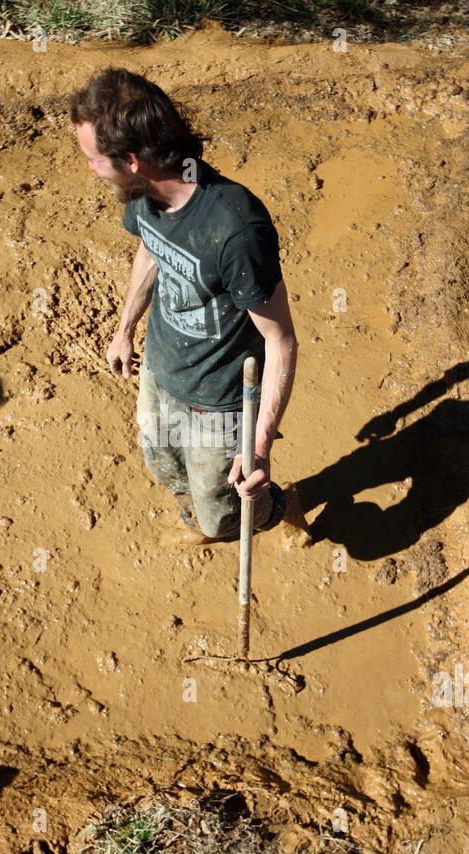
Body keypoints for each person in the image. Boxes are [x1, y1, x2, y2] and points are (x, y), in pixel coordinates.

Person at [69, 67, 309, 545]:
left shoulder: (236, 229)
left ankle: (281, 506)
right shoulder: (144, 196)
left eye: (94, 159)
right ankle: (196, 517)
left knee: (225, 515)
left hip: (218, 400)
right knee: (166, 469)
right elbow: (151, 248)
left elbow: (281, 342)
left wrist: (259, 446)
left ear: (132, 160)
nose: (91, 169)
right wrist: (124, 329)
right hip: (160, 370)